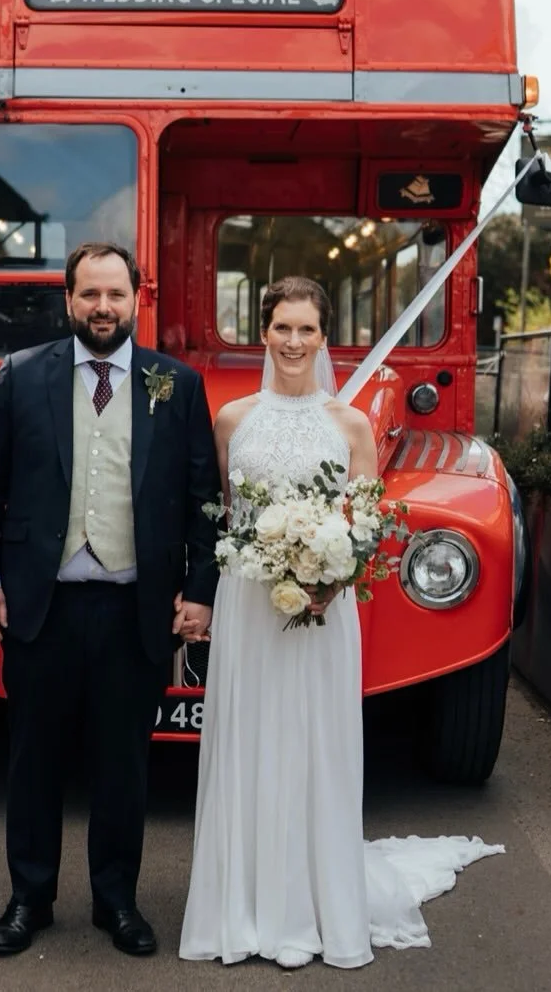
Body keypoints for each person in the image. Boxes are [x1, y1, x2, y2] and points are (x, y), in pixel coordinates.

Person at [179, 275, 502, 970]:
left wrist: (332, 577)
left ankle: (311, 905)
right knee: (248, 741)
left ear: (325, 338)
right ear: (263, 332)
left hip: (323, 611)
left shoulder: (350, 424)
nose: (293, 342)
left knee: (312, 744)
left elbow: (364, 524)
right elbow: (222, 518)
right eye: (282, 328)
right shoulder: (231, 420)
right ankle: (242, 907)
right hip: (249, 604)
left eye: (307, 330)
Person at [0, 242, 220, 959]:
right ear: (69, 300)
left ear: (137, 300)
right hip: (42, 608)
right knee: (33, 762)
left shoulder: (176, 384)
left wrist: (201, 591)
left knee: (123, 766)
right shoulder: (22, 375)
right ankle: (29, 898)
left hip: (135, 609)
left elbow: (203, 499)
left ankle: (117, 901)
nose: (102, 307)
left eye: (115, 294)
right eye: (90, 295)